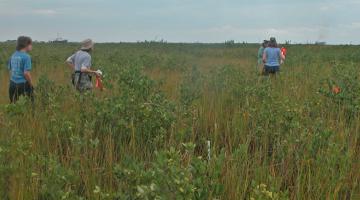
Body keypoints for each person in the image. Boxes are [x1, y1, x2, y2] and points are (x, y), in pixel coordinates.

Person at [8, 36, 34, 103]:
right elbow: (26, 73)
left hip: (12, 84)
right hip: (23, 85)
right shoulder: (27, 57)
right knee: (29, 105)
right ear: (26, 45)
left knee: (14, 105)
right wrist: (31, 84)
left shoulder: (12, 55)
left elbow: (10, 71)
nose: (32, 46)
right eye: (31, 44)